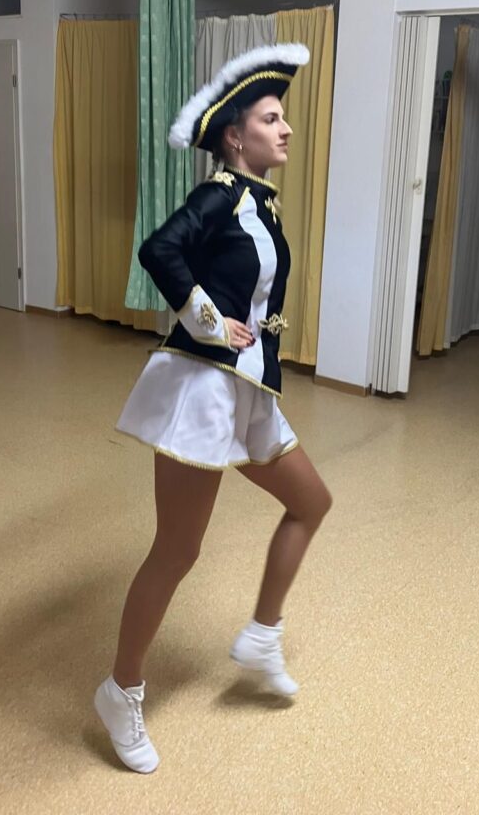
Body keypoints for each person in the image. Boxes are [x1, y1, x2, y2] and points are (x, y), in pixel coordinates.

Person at [95, 43, 333, 774]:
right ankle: (120, 691)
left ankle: (262, 637)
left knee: (311, 503)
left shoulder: (259, 203)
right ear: (235, 137)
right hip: (203, 388)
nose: (285, 129)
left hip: (250, 389)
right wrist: (206, 320)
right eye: (271, 119)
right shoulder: (219, 195)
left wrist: (251, 329)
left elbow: (251, 295)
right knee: (178, 550)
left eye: (283, 118)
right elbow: (158, 250)